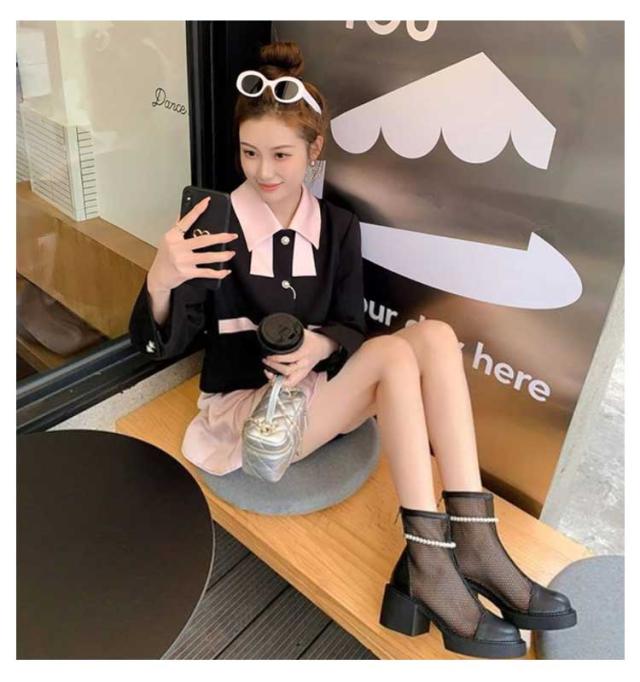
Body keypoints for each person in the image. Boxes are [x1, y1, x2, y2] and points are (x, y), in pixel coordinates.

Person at [129, 40, 576, 659]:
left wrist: (318, 345)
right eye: (250, 152)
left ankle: (475, 543)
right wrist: (161, 279)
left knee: (436, 337)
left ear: (315, 150)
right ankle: (429, 565)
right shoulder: (218, 222)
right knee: (394, 356)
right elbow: (166, 344)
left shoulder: (337, 227)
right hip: (252, 420)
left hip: (317, 392)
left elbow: (349, 327)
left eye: (282, 154)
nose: (264, 171)